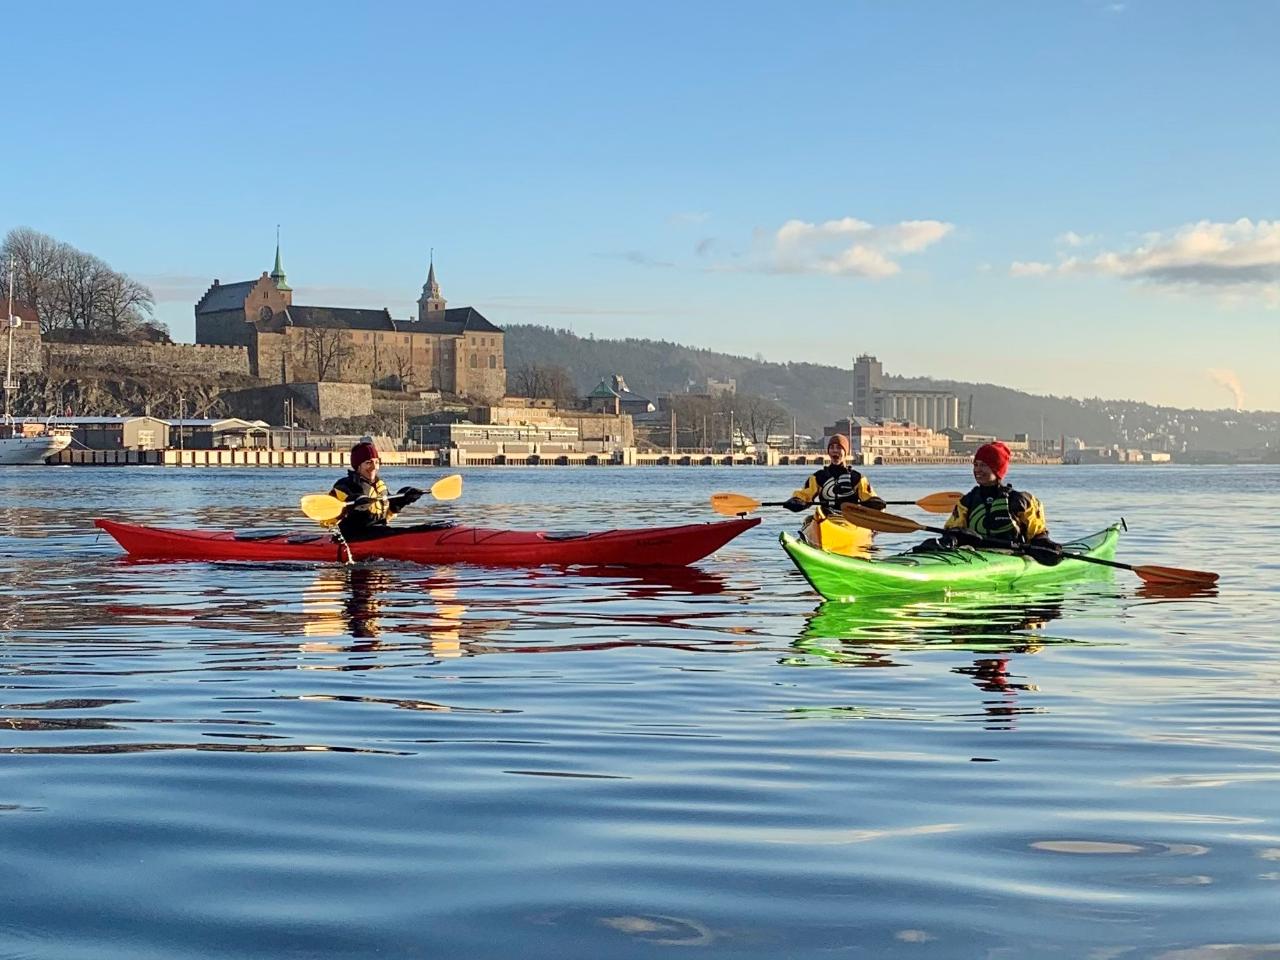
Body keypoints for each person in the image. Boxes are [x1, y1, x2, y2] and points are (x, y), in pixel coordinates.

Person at [934, 441, 1062, 564]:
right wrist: (952, 536)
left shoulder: (1021, 501)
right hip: (975, 557)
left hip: (1011, 556)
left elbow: (1038, 535)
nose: (977, 470)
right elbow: (952, 530)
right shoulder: (967, 501)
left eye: (983, 465)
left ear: (997, 470)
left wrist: (1043, 543)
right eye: (975, 465)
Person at [329, 440, 423, 541]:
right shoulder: (343, 486)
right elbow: (327, 520)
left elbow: (387, 514)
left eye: (376, 462)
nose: (374, 467)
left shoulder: (380, 485)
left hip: (380, 532)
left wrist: (401, 501)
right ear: (358, 466)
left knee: (420, 529)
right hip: (354, 537)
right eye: (368, 463)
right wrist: (348, 507)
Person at [784, 434, 886, 514]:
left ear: (845, 452)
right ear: (828, 451)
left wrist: (875, 502)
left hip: (850, 519)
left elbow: (868, 496)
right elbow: (806, 494)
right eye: (832, 448)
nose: (835, 451)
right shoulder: (818, 477)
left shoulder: (858, 478)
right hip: (826, 518)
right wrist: (797, 500)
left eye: (839, 448)